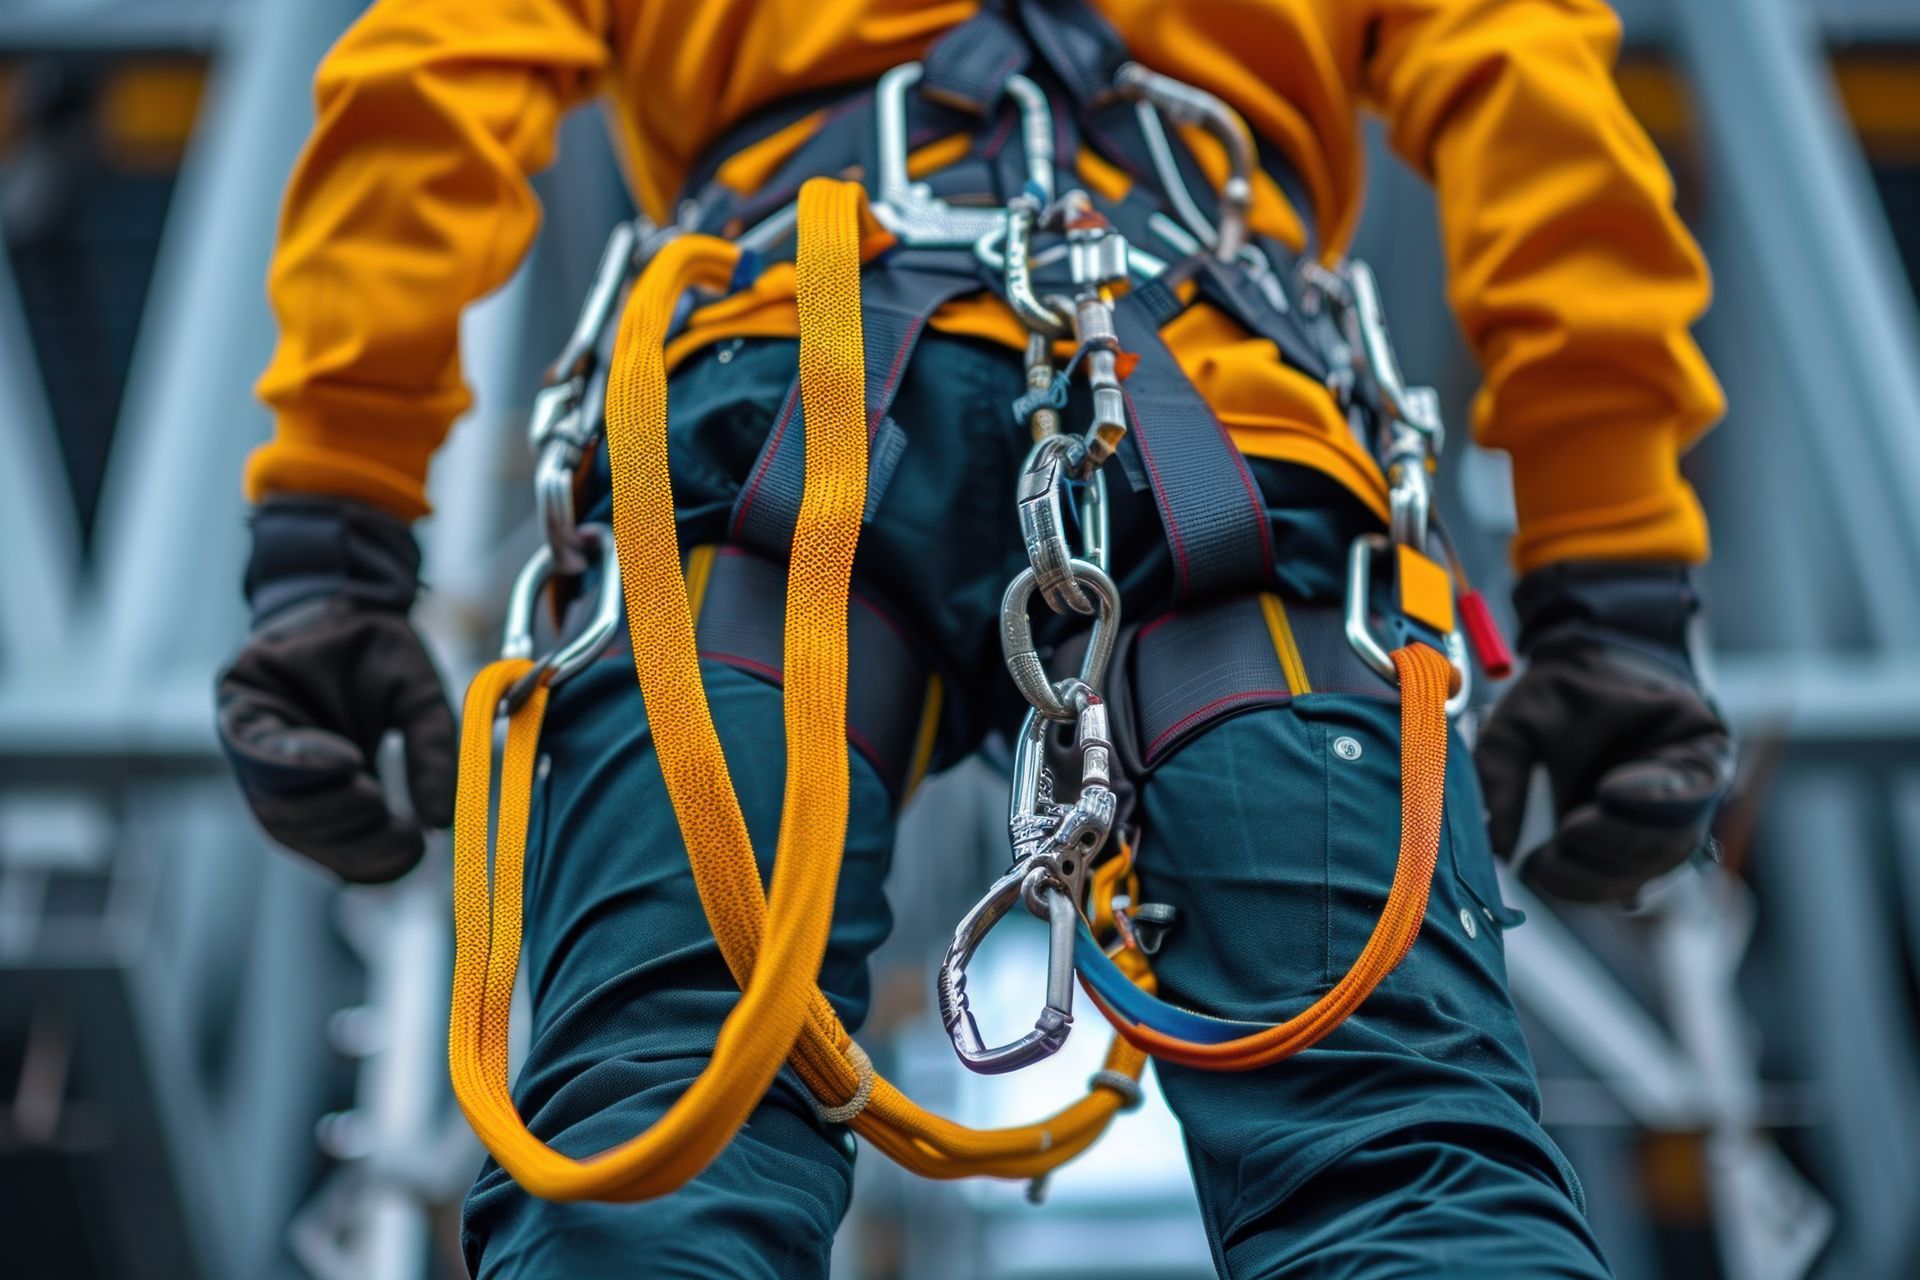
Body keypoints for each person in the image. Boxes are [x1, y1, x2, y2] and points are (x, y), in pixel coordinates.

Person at [214, 1, 1735, 1275]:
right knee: (1401, 1153)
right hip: (1217, 441)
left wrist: (331, 542)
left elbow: (427, 84)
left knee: (654, 1127)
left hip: (779, 414)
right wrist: (1612, 593)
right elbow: (1540, 123)